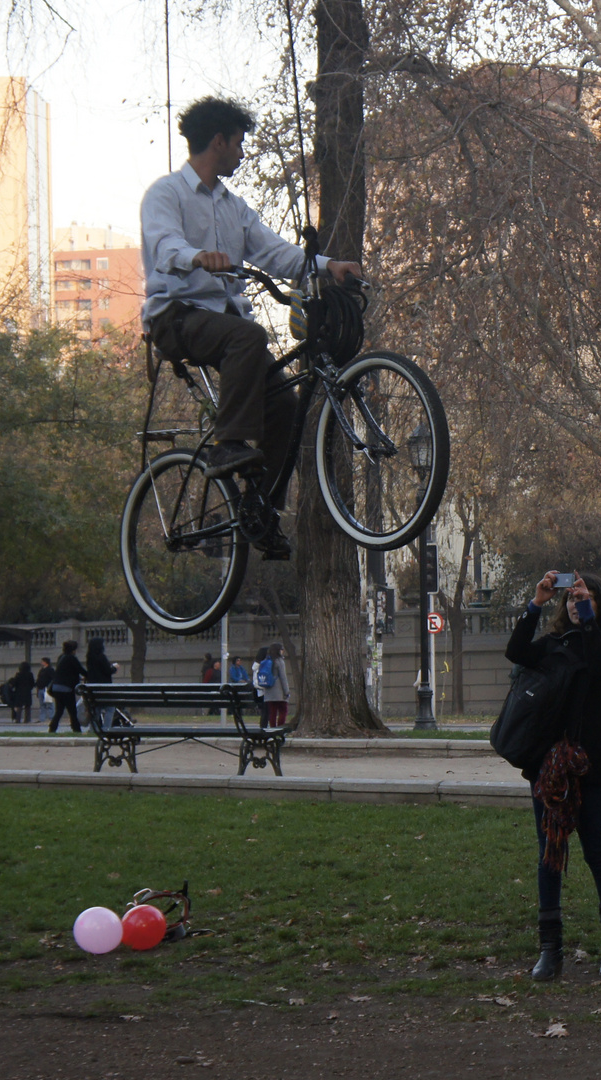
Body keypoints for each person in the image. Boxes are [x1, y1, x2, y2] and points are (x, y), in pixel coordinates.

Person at [141, 96, 362, 559]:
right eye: (239, 144)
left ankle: (261, 510)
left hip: (224, 325)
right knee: (249, 335)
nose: (242, 153)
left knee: (284, 403)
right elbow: (164, 245)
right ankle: (228, 445)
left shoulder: (234, 207)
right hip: (176, 318)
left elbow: (276, 252)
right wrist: (196, 256)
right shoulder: (166, 194)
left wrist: (328, 266)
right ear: (218, 141)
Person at [505, 570, 601, 982]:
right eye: (571, 600)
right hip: (549, 769)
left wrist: (588, 619)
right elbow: (516, 651)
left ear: (599, 606)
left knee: (595, 850)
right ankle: (550, 950)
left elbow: (600, 667)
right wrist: (537, 602)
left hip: (591, 765)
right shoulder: (554, 645)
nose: (575, 606)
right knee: (549, 856)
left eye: (584, 599)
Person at [50, 641, 85, 734]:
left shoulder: (61, 657)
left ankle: (52, 728)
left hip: (56, 687)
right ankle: (76, 729)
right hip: (66, 688)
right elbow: (80, 670)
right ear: (73, 650)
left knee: (59, 711)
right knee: (72, 711)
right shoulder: (72, 658)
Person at [259, 642, 290, 730]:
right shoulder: (279, 661)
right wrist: (286, 691)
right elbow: (283, 677)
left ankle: (272, 728)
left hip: (269, 691)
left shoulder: (266, 661)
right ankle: (279, 728)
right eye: (282, 649)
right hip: (279, 691)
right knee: (283, 711)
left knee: (272, 712)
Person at [34, 658, 55, 726]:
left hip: (47, 689)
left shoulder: (50, 670)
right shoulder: (42, 670)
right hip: (40, 688)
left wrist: (49, 687)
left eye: (42, 661)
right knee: (42, 705)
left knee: (49, 704)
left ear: (46, 662)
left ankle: (51, 718)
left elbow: (53, 679)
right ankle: (42, 718)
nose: (41, 662)